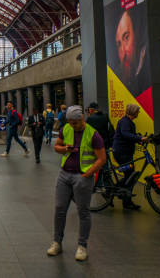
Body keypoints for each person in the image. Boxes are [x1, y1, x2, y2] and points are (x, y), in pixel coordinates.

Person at [47, 106, 106, 262]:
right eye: (70, 122)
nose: (73, 125)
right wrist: (65, 148)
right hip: (64, 174)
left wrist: (88, 174)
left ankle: (82, 246)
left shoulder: (93, 135)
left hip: (82, 177)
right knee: (59, 208)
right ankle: (57, 242)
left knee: (83, 212)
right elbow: (57, 147)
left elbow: (102, 158)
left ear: (82, 119)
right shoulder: (66, 128)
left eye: (75, 122)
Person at [112, 104, 148, 210]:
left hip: (125, 152)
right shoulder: (125, 122)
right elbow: (125, 134)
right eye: (137, 111)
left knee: (130, 176)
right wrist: (140, 138)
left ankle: (125, 199)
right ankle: (116, 191)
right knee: (130, 175)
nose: (138, 113)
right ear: (133, 112)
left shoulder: (129, 122)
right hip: (121, 152)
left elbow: (129, 136)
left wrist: (138, 139)